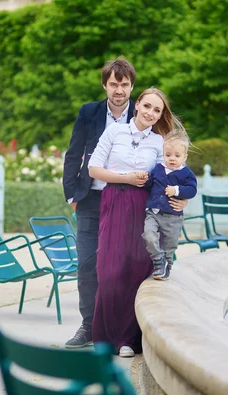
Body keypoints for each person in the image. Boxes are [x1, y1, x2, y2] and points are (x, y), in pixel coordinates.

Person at [87, 87, 184, 358]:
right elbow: (93, 169)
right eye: (147, 106)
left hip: (144, 207)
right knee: (108, 269)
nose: (151, 113)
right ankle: (105, 338)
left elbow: (173, 174)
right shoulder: (114, 132)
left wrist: (182, 198)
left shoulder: (159, 141)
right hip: (114, 200)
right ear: (137, 104)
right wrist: (127, 178)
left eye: (157, 110)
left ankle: (128, 339)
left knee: (136, 269)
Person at [62, 57, 136, 349]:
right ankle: (88, 325)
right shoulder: (89, 112)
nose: (119, 90)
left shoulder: (140, 114)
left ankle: (121, 329)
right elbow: (73, 153)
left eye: (125, 84)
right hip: (90, 198)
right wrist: (71, 196)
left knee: (122, 266)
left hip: (125, 199)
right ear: (105, 84)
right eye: (114, 84)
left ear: (132, 86)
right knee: (88, 264)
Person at [141, 129, 197, 281]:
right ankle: (158, 259)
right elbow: (149, 185)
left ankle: (166, 264)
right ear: (163, 153)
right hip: (153, 212)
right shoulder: (158, 169)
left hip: (173, 216)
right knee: (149, 235)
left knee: (170, 244)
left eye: (177, 156)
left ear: (184, 156)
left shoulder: (186, 174)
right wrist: (144, 179)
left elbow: (192, 190)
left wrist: (176, 190)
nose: (172, 159)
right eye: (168, 155)